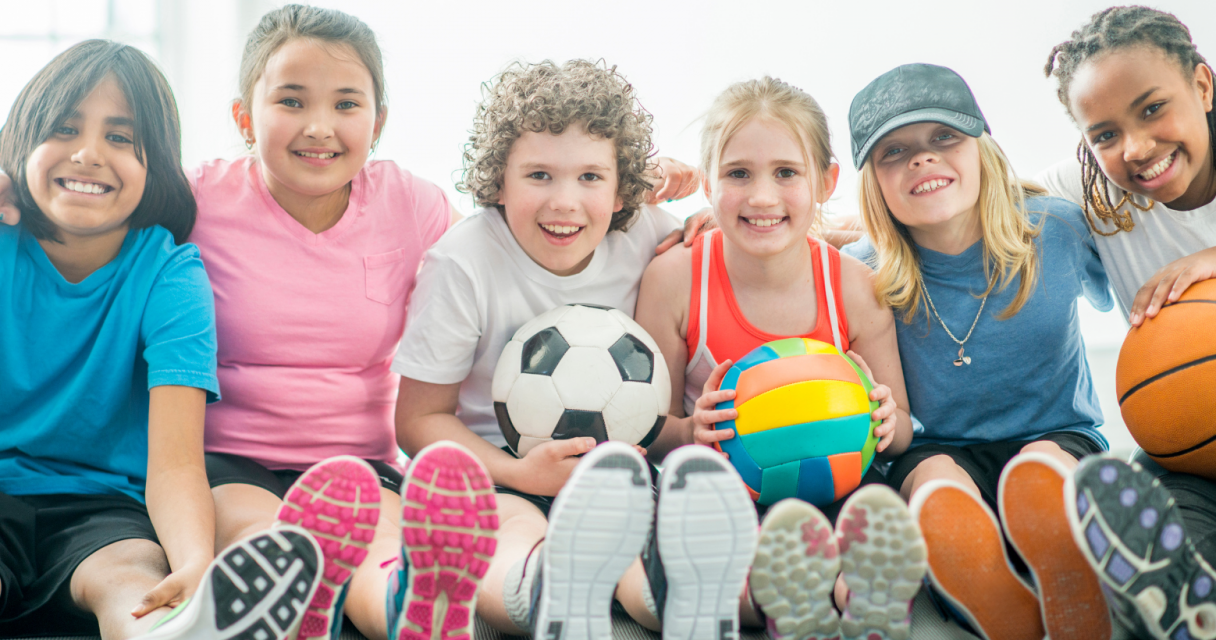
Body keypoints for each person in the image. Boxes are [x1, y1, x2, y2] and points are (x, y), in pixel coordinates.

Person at [392, 58, 750, 639]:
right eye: (538, 176)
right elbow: (416, 420)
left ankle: (671, 599)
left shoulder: (647, 233)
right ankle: (541, 590)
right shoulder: (462, 264)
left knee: (635, 531)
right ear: (497, 182)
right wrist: (520, 473)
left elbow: (747, 239)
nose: (565, 202)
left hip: (620, 469)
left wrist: (712, 219)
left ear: (622, 188)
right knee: (505, 528)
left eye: (590, 177)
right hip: (496, 466)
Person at [0, 40, 320, 640]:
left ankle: (183, 629)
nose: (89, 154)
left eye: (121, 138)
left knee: (132, 579)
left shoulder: (171, 275)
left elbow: (174, 465)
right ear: (20, 141)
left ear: (156, 166)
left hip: (100, 505)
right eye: (65, 129)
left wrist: (196, 561)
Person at [634, 76, 913, 640]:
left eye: (786, 173)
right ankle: (779, 597)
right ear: (709, 182)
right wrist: (692, 429)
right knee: (693, 522)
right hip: (723, 488)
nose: (763, 197)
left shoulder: (855, 289)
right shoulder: (675, 279)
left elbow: (904, 427)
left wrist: (886, 421)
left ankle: (864, 604)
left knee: (869, 511)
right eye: (739, 174)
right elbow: (648, 427)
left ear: (826, 181)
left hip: (835, 484)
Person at [843, 64, 1114, 640]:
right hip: (939, 447)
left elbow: (1133, 290)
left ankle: (1063, 563)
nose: (922, 158)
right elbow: (789, 254)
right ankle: (982, 580)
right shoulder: (864, 275)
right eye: (895, 152)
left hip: (1057, 435)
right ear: (874, 183)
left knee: (1044, 471)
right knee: (935, 483)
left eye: (944, 137)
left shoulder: (1057, 230)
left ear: (983, 150)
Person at [1040, 6, 1216, 639]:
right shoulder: (1093, 197)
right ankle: (1185, 611)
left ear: (1202, 86)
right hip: (1203, 456)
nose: (1136, 149)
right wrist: (851, 229)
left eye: (1152, 109)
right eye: (1105, 135)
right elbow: (979, 205)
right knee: (1167, 524)